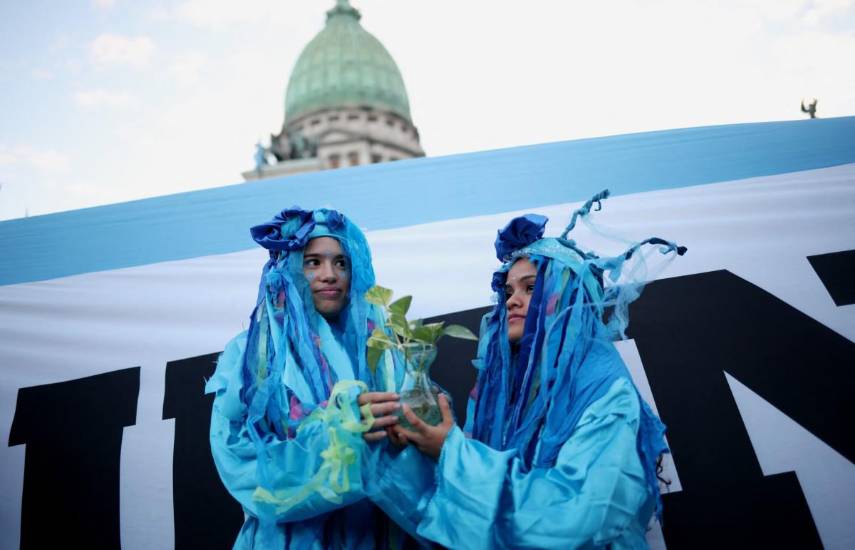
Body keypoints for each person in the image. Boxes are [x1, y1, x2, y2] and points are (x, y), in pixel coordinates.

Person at [370, 191, 685, 549]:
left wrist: (453, 454)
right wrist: (406, 445)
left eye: (531, 288)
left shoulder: (604, 390)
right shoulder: (508, 395)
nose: (513, 300)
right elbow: (468, 518)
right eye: (508, 291)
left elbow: (581, 518)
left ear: (569, 296)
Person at [206, 207, 406, 549]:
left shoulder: (384, 351)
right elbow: (239, 463)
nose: (330, 274)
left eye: (341, 262)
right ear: (287, 269)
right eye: (313, 262)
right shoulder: (252, 356)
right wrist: (345, 439)